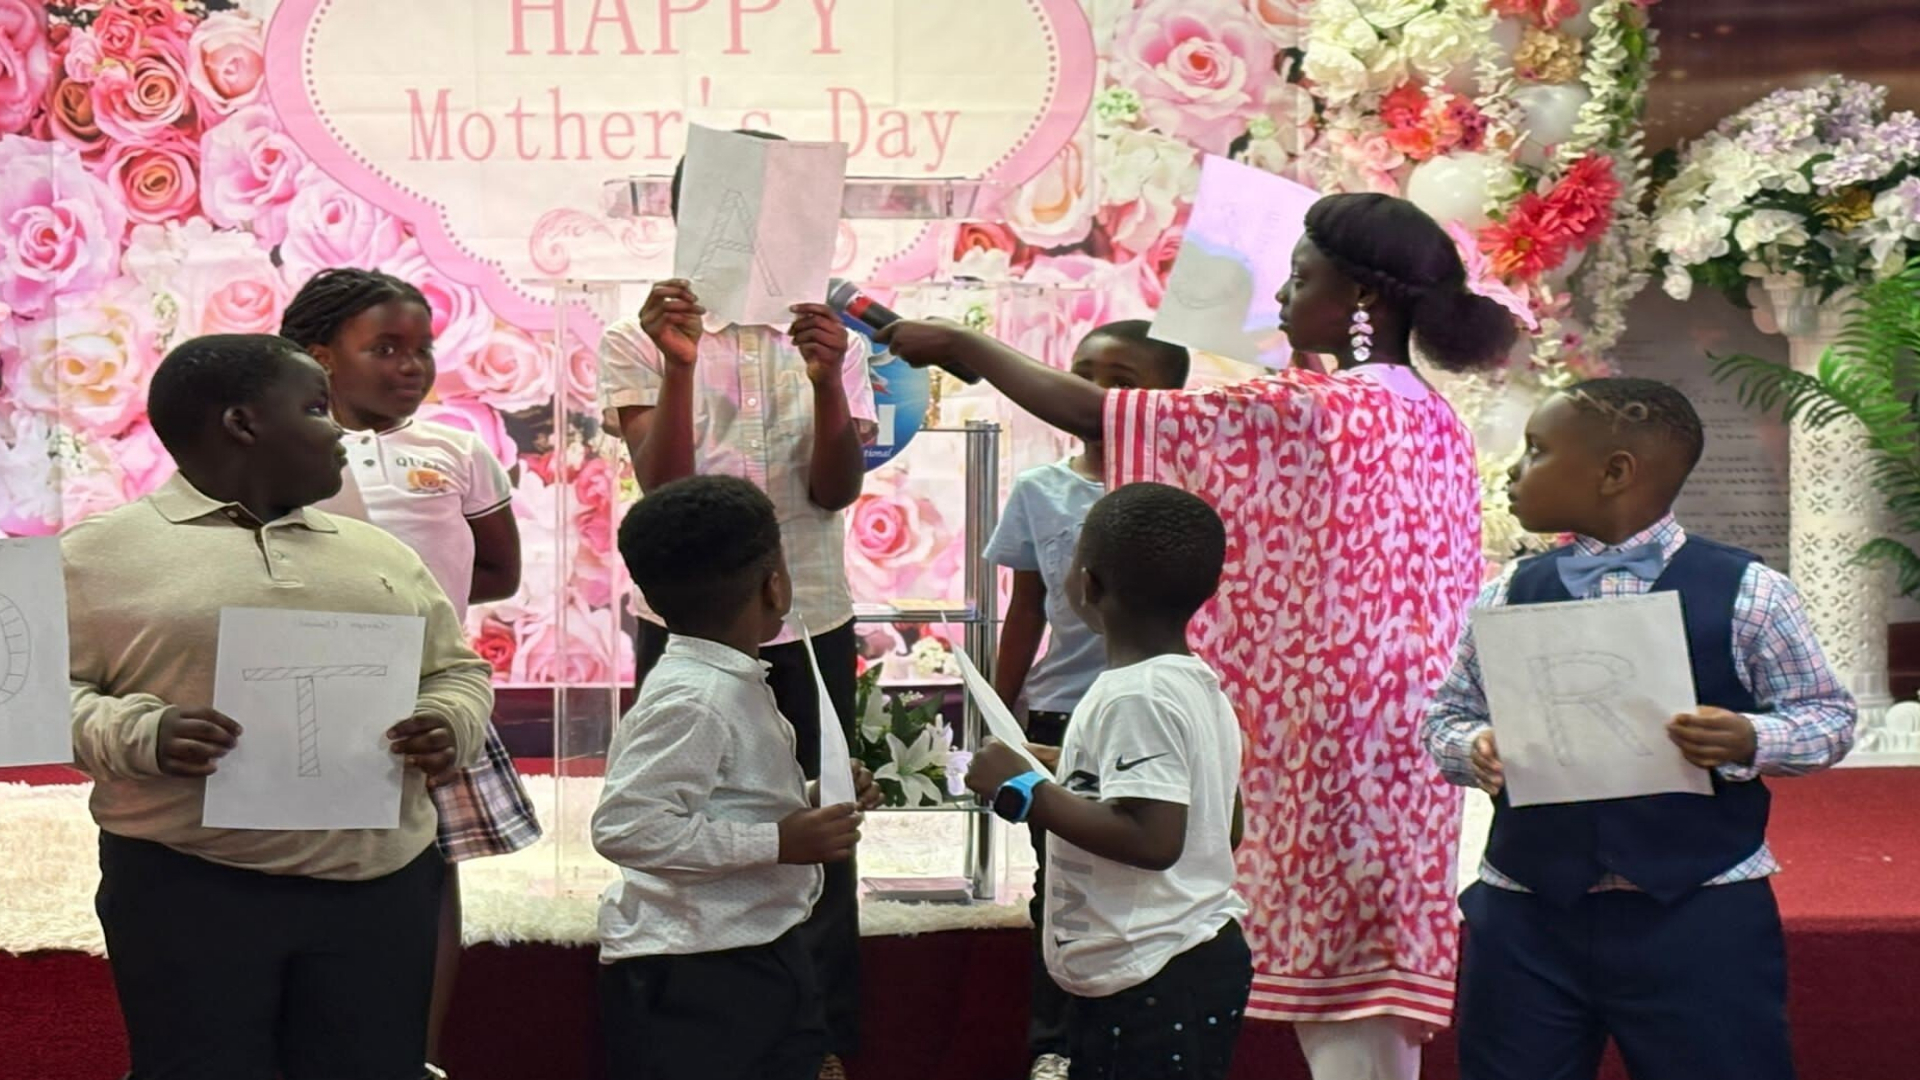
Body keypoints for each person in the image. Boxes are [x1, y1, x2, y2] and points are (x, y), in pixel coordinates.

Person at [880, 192, 1514, 1079]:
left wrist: (966, 346)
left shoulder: (1321, 409)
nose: (1281, 299)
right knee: (1370, 1014)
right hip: (1396, 760)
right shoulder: (1426, 414)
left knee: (1343, 1021)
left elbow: (1108, 417)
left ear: (1361, 303)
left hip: (1324, 760)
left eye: (1300, 280)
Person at [64, 333, 494, 1079]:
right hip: (186, 887)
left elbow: (459, 672)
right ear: (243, 422)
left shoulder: (382, 555)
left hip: (380, 890)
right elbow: (36, 703)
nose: (343, 431)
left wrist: (448, 720)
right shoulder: (92, 556)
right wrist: (142, 733)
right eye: (317, 408)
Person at [1421, 377, 1857, 1080]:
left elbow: (1829, 718)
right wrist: (1474, 748)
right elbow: (1447, 715)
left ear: (1616, 472)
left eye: (1536, 450)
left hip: (1700, 911)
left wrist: (1752, 737)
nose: (1513, 469)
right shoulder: (1506, 592)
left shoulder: (1750, 591)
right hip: (1529, 907)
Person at [597, 131, 877, 1076]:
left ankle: (821, 1036)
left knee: (822, 825)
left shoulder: (830, 336)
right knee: (695, 802)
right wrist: (678, 364)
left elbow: (836, 490)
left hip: (811, 611)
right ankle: (703, 1001)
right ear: (689, 213)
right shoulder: (635, 335)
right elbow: (663, 484)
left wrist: (830, 378)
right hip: (691, 617)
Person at [281, 267, 541, 1079]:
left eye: (421, 349)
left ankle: (416, 1057)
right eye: (384, 348)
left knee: (427, 872)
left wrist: (419, 610)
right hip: (306, 689)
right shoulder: (279, 448)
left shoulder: (456, 450)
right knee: (308, 869)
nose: (410, 366)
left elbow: (497, 571)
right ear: (319, 356)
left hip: (429, 692)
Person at [593, 475, 881, 1080]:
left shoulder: (730, 682)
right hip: (697, 974)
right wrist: (781, 841)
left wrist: (811, 804)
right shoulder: (693, 698)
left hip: (754, 953)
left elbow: (723, 800)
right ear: (776, 585)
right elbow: (626, 827)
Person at [965, 481, 1251, 1080]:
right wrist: (1058, 767)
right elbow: (1222, 823)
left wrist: (1024, 790)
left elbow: (1154, 839)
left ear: (1085, 585)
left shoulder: (1132, 694)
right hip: (1180, 962)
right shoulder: (1194, 684)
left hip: (1151, 976)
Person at [982, 320, 1191, 1080]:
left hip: (1157, 712)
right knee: (1062, 880)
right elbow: (1026, 607)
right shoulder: (1043, 490)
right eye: (1085, 372)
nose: (1099, 392)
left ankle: (1135, 1031)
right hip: (1059, 714)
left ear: (1168, 399)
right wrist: (999, 708)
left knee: (1147, 866)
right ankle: (1055, 1044)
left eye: (1122, 377)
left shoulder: (1184, 495)